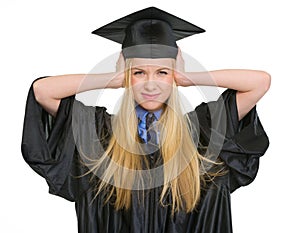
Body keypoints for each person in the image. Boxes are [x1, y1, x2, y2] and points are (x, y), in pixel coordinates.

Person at [21, 7, 270, 233]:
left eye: (162, 72)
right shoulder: (100, 133)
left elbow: (259, 82)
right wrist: (114, 77)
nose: (151, 84)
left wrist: (187, 77)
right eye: (139, 73)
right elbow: (43, 91)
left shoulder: (202, 131)